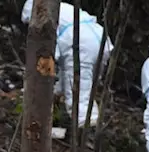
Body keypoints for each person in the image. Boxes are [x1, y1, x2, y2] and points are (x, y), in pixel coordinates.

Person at [21, 0, 113, 128]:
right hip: (99, 36)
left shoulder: (44, 19)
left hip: (81, 42)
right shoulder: (63, 9)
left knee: (78, 89)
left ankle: (85, 126)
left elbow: (49, 56)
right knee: (87, 84)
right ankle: (86, 120)